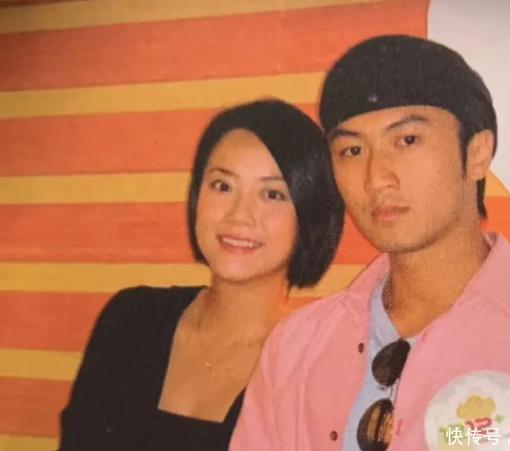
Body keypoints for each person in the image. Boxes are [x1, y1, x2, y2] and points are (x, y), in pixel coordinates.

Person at [230, 36, 510, 451]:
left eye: (407, 140)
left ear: (477, 154)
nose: (376, 177)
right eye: (352, 150)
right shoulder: (295, 346)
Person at [58, 99, 344, 451]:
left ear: (310, 215)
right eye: (222, 186)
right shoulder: (132, 318)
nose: (239, 215)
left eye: (272, 194)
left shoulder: (315, 366)